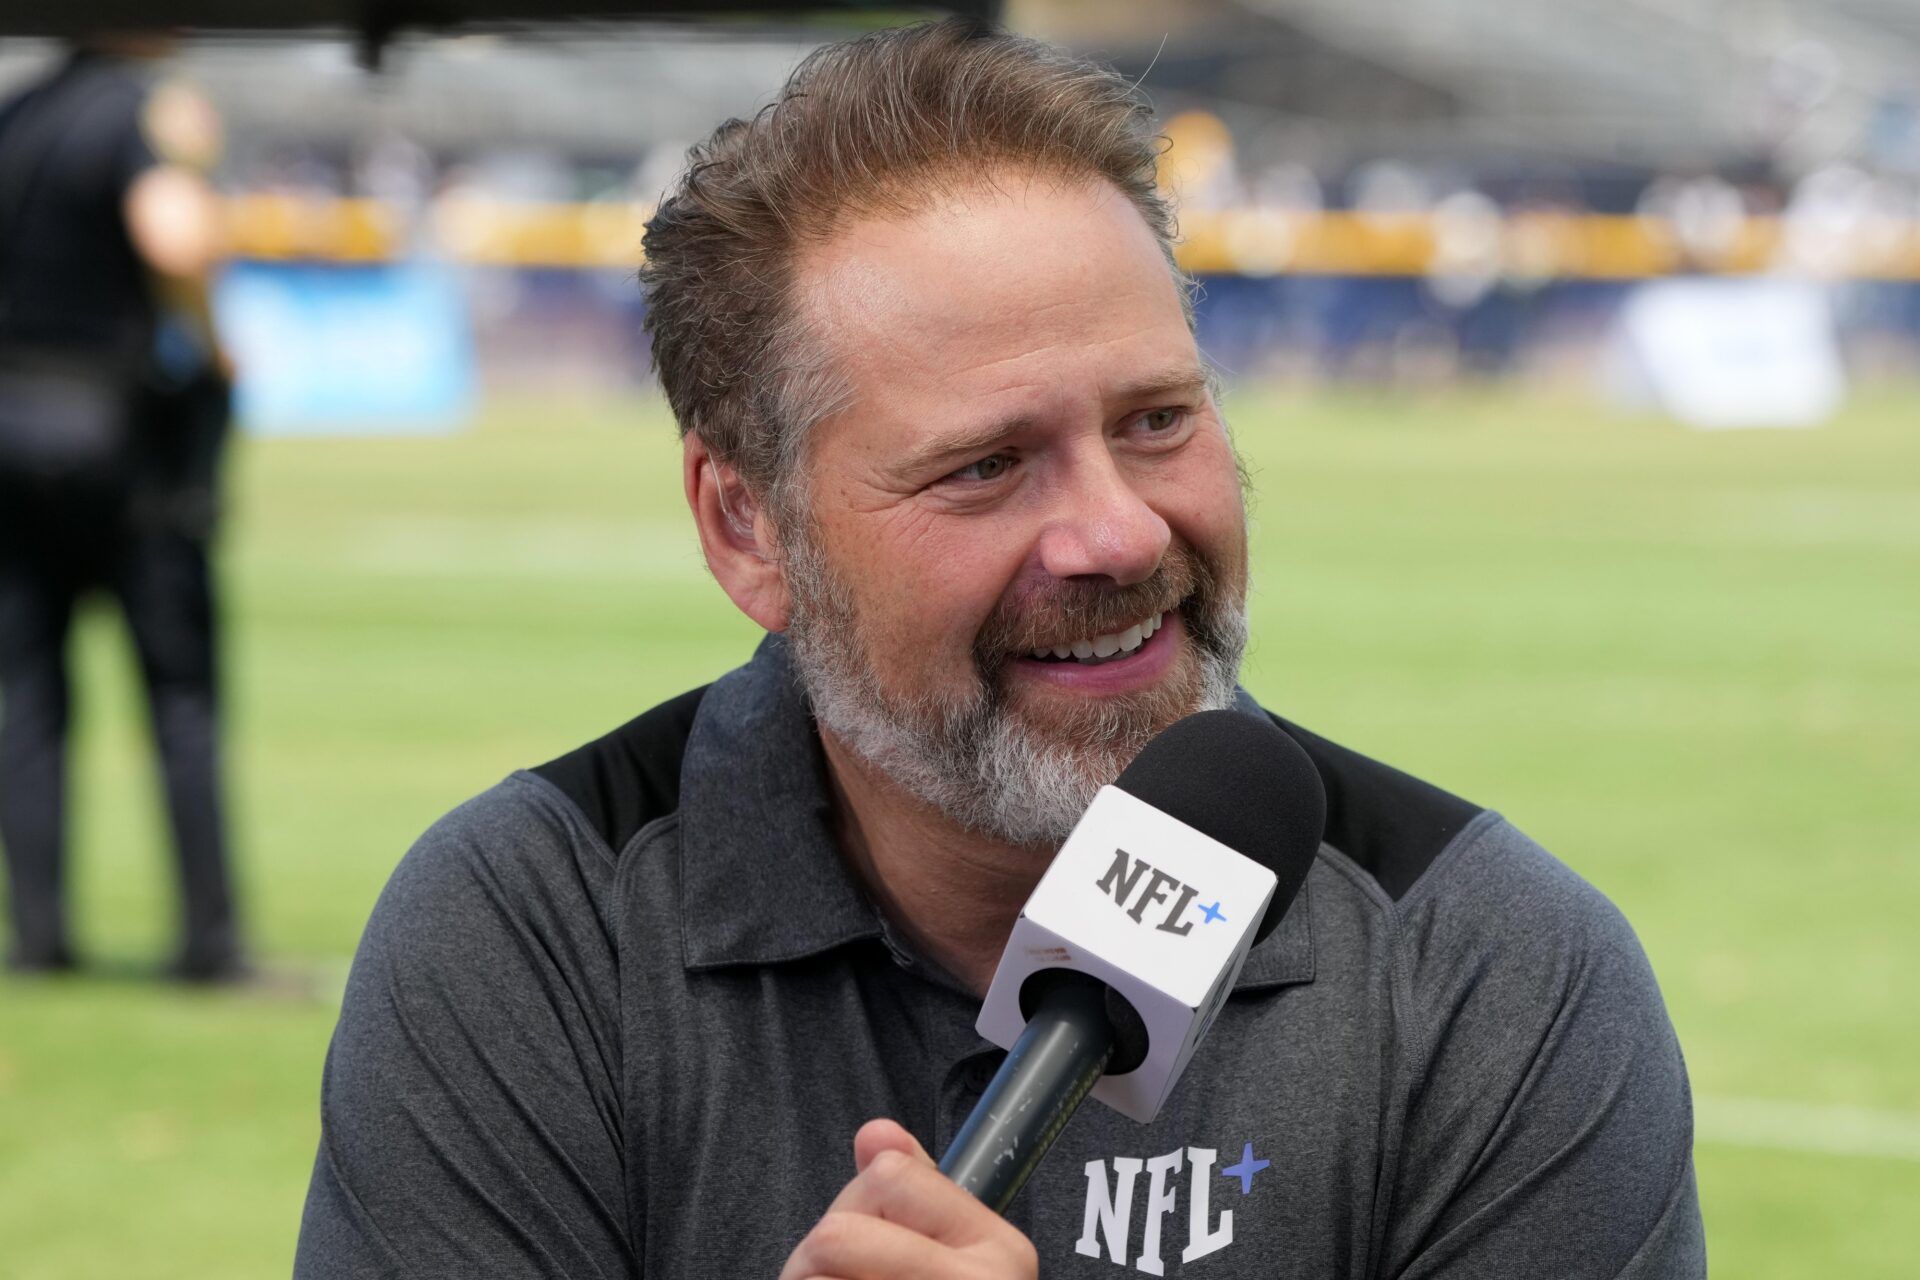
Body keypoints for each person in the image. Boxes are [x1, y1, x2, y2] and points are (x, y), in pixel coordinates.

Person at [296, 20, 1704, 1277]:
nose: (1118, 534)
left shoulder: (1491, 971)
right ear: (748, 529)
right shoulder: (536, 937)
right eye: (983, 467)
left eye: (1158, 420)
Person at [0, 33, 242, 980]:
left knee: (27, 696)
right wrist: (213, 343)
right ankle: (208, 941)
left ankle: (42, 938)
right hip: (120, 447)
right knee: (179, 691)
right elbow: (172, 237)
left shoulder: (16, 114)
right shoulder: (139, 113)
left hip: (12, 433)